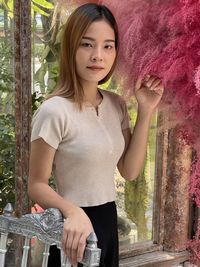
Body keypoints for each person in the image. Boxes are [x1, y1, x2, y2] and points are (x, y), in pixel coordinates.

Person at [28, 3, 164, 267]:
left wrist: (146, 110)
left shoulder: (116, 104)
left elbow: (130, 171)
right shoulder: (53, 111)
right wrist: (72, 211)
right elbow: (36, 184)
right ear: (70, 48)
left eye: (108, 46)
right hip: (72, 227)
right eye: (87, 44)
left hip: (107, 221)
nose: (98, 56)